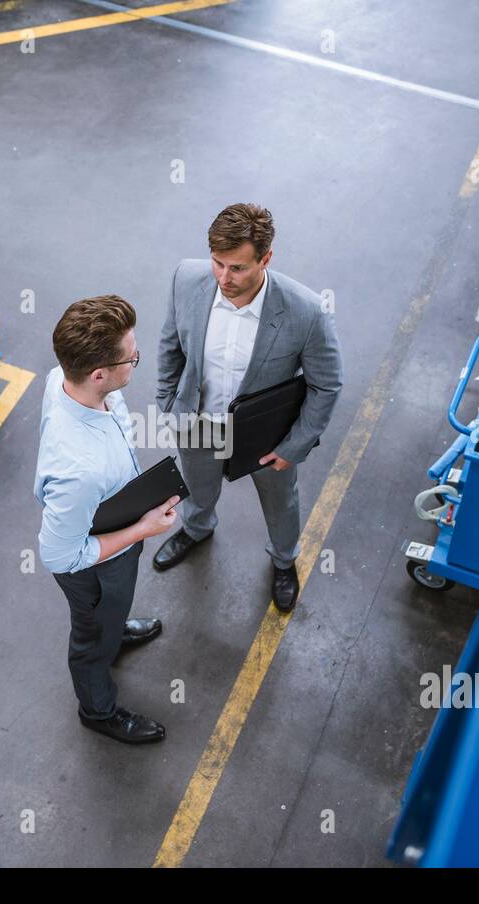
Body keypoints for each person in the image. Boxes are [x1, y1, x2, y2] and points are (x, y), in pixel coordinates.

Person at [153, 203, 343, 611]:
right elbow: (170, 345)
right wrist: (168, 403)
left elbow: (326, 385)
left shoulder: (306, 312)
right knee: (197, 485)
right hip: (198, 422)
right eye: (218, 263)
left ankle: (283, 559)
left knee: (280, 502)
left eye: (237, 268)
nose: (224, 278)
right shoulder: (187, 279)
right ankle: (197, 528)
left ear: (266, 258)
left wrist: (294, 446)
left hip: (264, 436)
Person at [35, 295, 179, 745]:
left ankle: (113, 632)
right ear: (100, 373)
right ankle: (97, 710)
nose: (136, 361)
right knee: (91, 638)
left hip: (111, 522)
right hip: (94, 566)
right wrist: (142, 529)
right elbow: (60, 556)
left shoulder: (64, 378)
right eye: (131, 358)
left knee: (110, 618)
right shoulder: (79, 471)